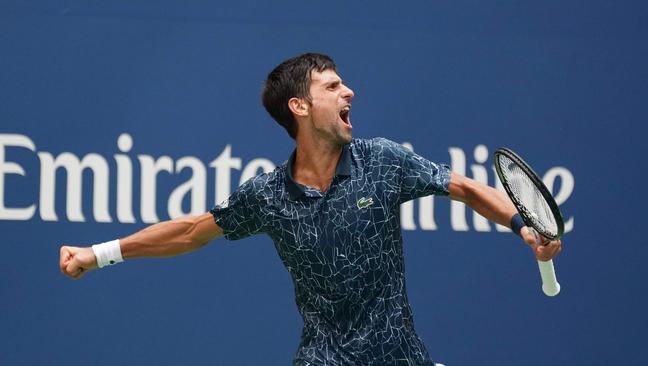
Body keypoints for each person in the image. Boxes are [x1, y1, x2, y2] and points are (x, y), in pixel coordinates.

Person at [60, 53, 561, 365]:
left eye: (344, 85)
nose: (349, 92)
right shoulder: (267, 195)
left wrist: (521, 225)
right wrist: (98, 253)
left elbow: (466, 188)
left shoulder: (381, 160)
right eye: (331, 87)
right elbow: (190, 231)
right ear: (299, 107)